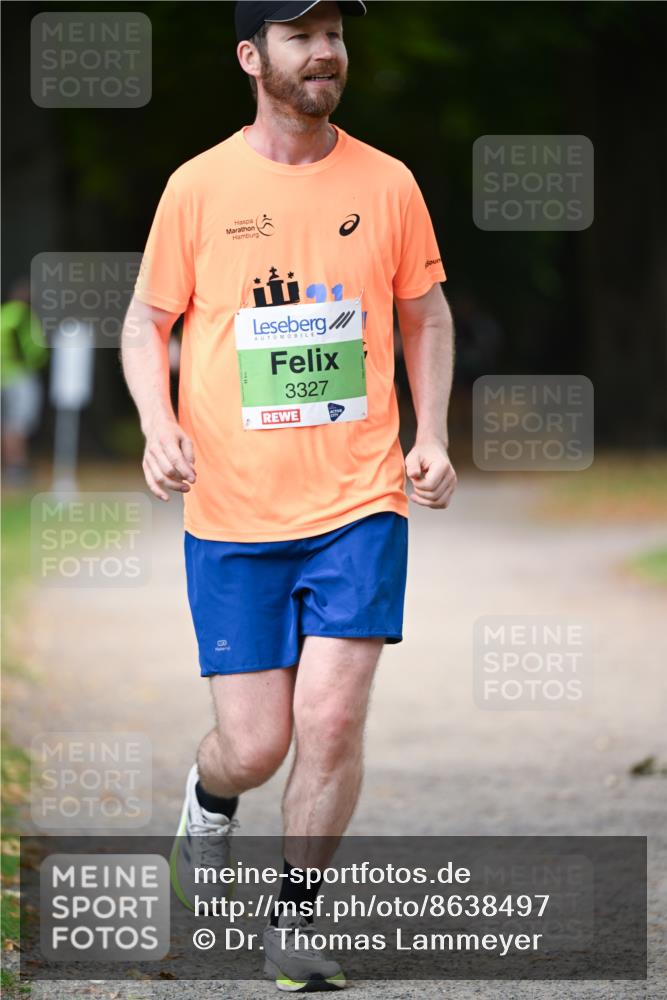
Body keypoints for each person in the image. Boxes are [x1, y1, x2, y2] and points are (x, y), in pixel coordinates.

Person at [121, 1, 456, 990]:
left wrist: (430, 431)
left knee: (334, 720)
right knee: (255, 743)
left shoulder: (387, 182)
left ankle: (294, 924)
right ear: (250, 56)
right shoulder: (198, 187)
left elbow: (425, 315)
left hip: (358, 501)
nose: (326, 52)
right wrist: (156, 424)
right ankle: (207, 805)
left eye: (336, 35)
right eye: (301, 35)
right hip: (230, 511)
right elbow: (146, 323)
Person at [1, 277, 48, 484]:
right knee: (18, 423)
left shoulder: (4, 314)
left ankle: (10, 465)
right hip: (20, 376)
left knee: (7, 423)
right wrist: (40, 360)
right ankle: (17, 467)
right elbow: (34, 349)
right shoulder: (23, 316)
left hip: (4, 376)